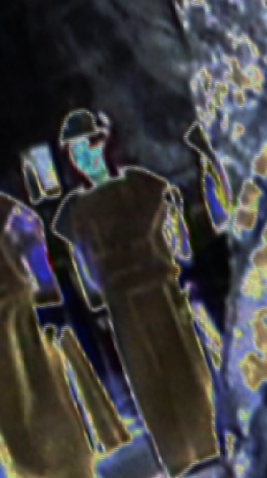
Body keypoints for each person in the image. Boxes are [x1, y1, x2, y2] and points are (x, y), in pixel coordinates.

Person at [51, 108, 219, 477]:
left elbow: (179, 243)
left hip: (160, 289)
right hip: (121, 304)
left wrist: (181, 275)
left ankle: (206, 442)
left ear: (102, 144)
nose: (83, 160)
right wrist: (101, 299)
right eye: (74, 154)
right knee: (147, 378)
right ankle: (177, 455)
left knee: (182, 365)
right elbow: (86, 270)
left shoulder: (145, 187)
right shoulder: (76, 213)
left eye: (87, 148)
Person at [0, 192, 95, 477]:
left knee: (16, 399)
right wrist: (45, 288)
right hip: (17, 301)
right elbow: (31, 239)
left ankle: (41, 467)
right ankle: (65, 464)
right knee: (39, 383)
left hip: (15, 304)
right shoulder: (6, 208)